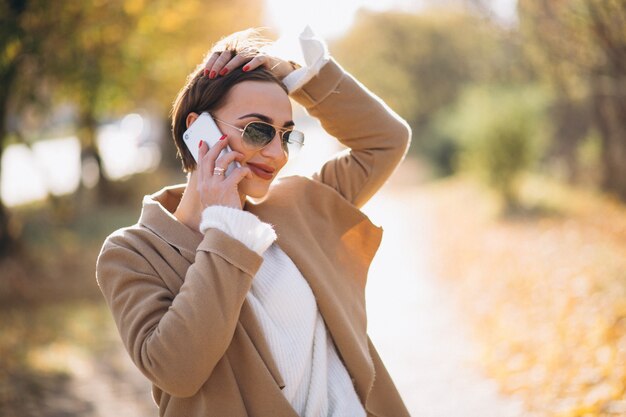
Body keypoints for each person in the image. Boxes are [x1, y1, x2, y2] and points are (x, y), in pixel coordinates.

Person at [96, 27, 411, 417]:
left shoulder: (298, 204)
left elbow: (386, 141)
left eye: (286, 136)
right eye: (258, 130)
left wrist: (298, 76)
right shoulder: (133, 252)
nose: (277, 154)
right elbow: (176, 371)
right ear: (198, 130)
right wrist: (225, 226)